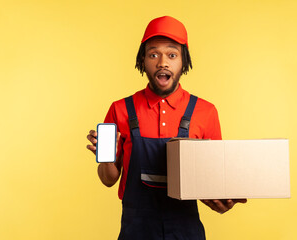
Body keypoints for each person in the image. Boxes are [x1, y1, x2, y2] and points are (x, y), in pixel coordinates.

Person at [87, 16, 247, 240]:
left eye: (172, 55)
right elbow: (108, 180)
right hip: (136, 230)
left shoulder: (205, 111)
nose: (162, 62)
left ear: (184, 61)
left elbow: (210, 180)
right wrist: (107, 157)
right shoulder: (120, 109)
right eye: (153, 54)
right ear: (142, 60)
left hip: (186, 229)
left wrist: (219, 201)